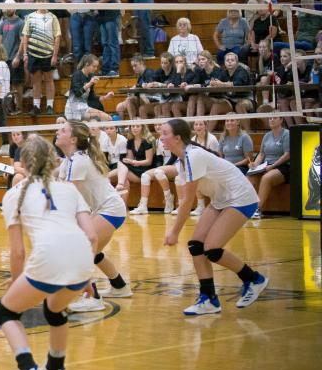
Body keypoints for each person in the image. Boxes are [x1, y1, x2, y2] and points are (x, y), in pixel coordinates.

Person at [0, 136, 99, 370]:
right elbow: (91, 236)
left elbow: (18, 251)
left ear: (21, 163)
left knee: (7, 311)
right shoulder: (69, 189)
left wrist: (16, 281)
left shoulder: (14, 194)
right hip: (81, 257)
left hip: (49, 255)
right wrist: (86, 273)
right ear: (53, 160)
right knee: (54, 309)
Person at [161, 119, 267, 316]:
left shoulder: (194, 156)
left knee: (212, 249)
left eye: (165, 133)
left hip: (240, 198)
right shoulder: (182, 160)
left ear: (177, 138)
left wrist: (174, 231)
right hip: (221, 199)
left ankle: (253, 279)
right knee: (196, 246)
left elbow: (187, 200)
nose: (161, 137)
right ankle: (209, 299)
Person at [56, 121, 132, 314]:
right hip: (103, 210)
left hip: (110, 209)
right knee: (94, 253)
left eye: (63, 130)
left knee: (80, 250)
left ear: (73, 139)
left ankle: (92, 297)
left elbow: (68, 196)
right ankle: (120, 286)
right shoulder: (70, 160)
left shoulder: (79, 161)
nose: (57, 132)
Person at [17, 2, 61, 116]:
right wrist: (25, 54)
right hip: (33, 54)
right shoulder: (30, 17)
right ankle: (36, 106)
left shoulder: (53, 17)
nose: (42, 5)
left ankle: (50, 106)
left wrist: (55, 55)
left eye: (45, 2)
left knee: (49, 80)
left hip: (48, 54)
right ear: (36, 4)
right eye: (40, 3)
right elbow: (25, 36)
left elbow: (57, 37)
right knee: (35, 81)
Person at [248, 116, 290, 220]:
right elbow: (262, 154)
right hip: (266, 165)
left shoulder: (286, 134)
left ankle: (257, 209)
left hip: (282, 166)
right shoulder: (266, 136)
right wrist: (255, 164)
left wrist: (273, 166)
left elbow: (287, 155)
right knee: (250, 178)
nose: (271, 120)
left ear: (281, 120)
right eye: (270, 118)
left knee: (267, 178)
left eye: (274, 118)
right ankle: (249, 207)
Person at [90, 0, 121, 76]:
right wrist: (95, 6)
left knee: (113, 42)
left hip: (111, 14)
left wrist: (120, 5)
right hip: (101, 15)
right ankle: (106, 68)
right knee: (105, 42)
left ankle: (114, 68)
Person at [65, 55, 113, 122]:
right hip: (73, 110)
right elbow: (77, 94)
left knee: (108, 118)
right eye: (94, 66)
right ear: (87, 64)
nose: (96, 69)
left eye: (97, 66)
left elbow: (91, 97)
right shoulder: (77, 75)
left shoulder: (90, 76)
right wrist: (89, 84)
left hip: (84, 108)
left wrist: (105, 97)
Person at [112, 123, 155, 194]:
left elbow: (149, 161)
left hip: (145, 169)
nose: (135, 128)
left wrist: (134, 162)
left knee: (120, 171)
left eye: (137, 126)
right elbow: (130, 158)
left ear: (142, 128)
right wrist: (129, 161)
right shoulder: (130, 141)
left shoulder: (147, 141)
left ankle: (112, 181)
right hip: (135, 167)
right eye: (133, 126)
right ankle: (120, 186)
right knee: (122, 169)